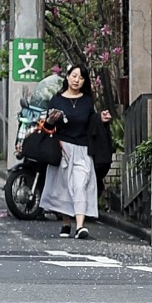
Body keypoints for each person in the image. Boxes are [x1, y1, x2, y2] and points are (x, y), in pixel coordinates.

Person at [38, 62, 111, 239]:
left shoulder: (87, 101)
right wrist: (52, 121)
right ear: (68, 76)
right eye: (74, 75)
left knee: (80, 185)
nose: (77, 80)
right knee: (63, 187)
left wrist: (101, 119)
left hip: (83, 150)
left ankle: (80, 226)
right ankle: (66, 222)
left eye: (81, 77)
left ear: (85, 81)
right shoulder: (56, 99)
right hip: (63, 149)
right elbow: (47, 128)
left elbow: (91, 123)